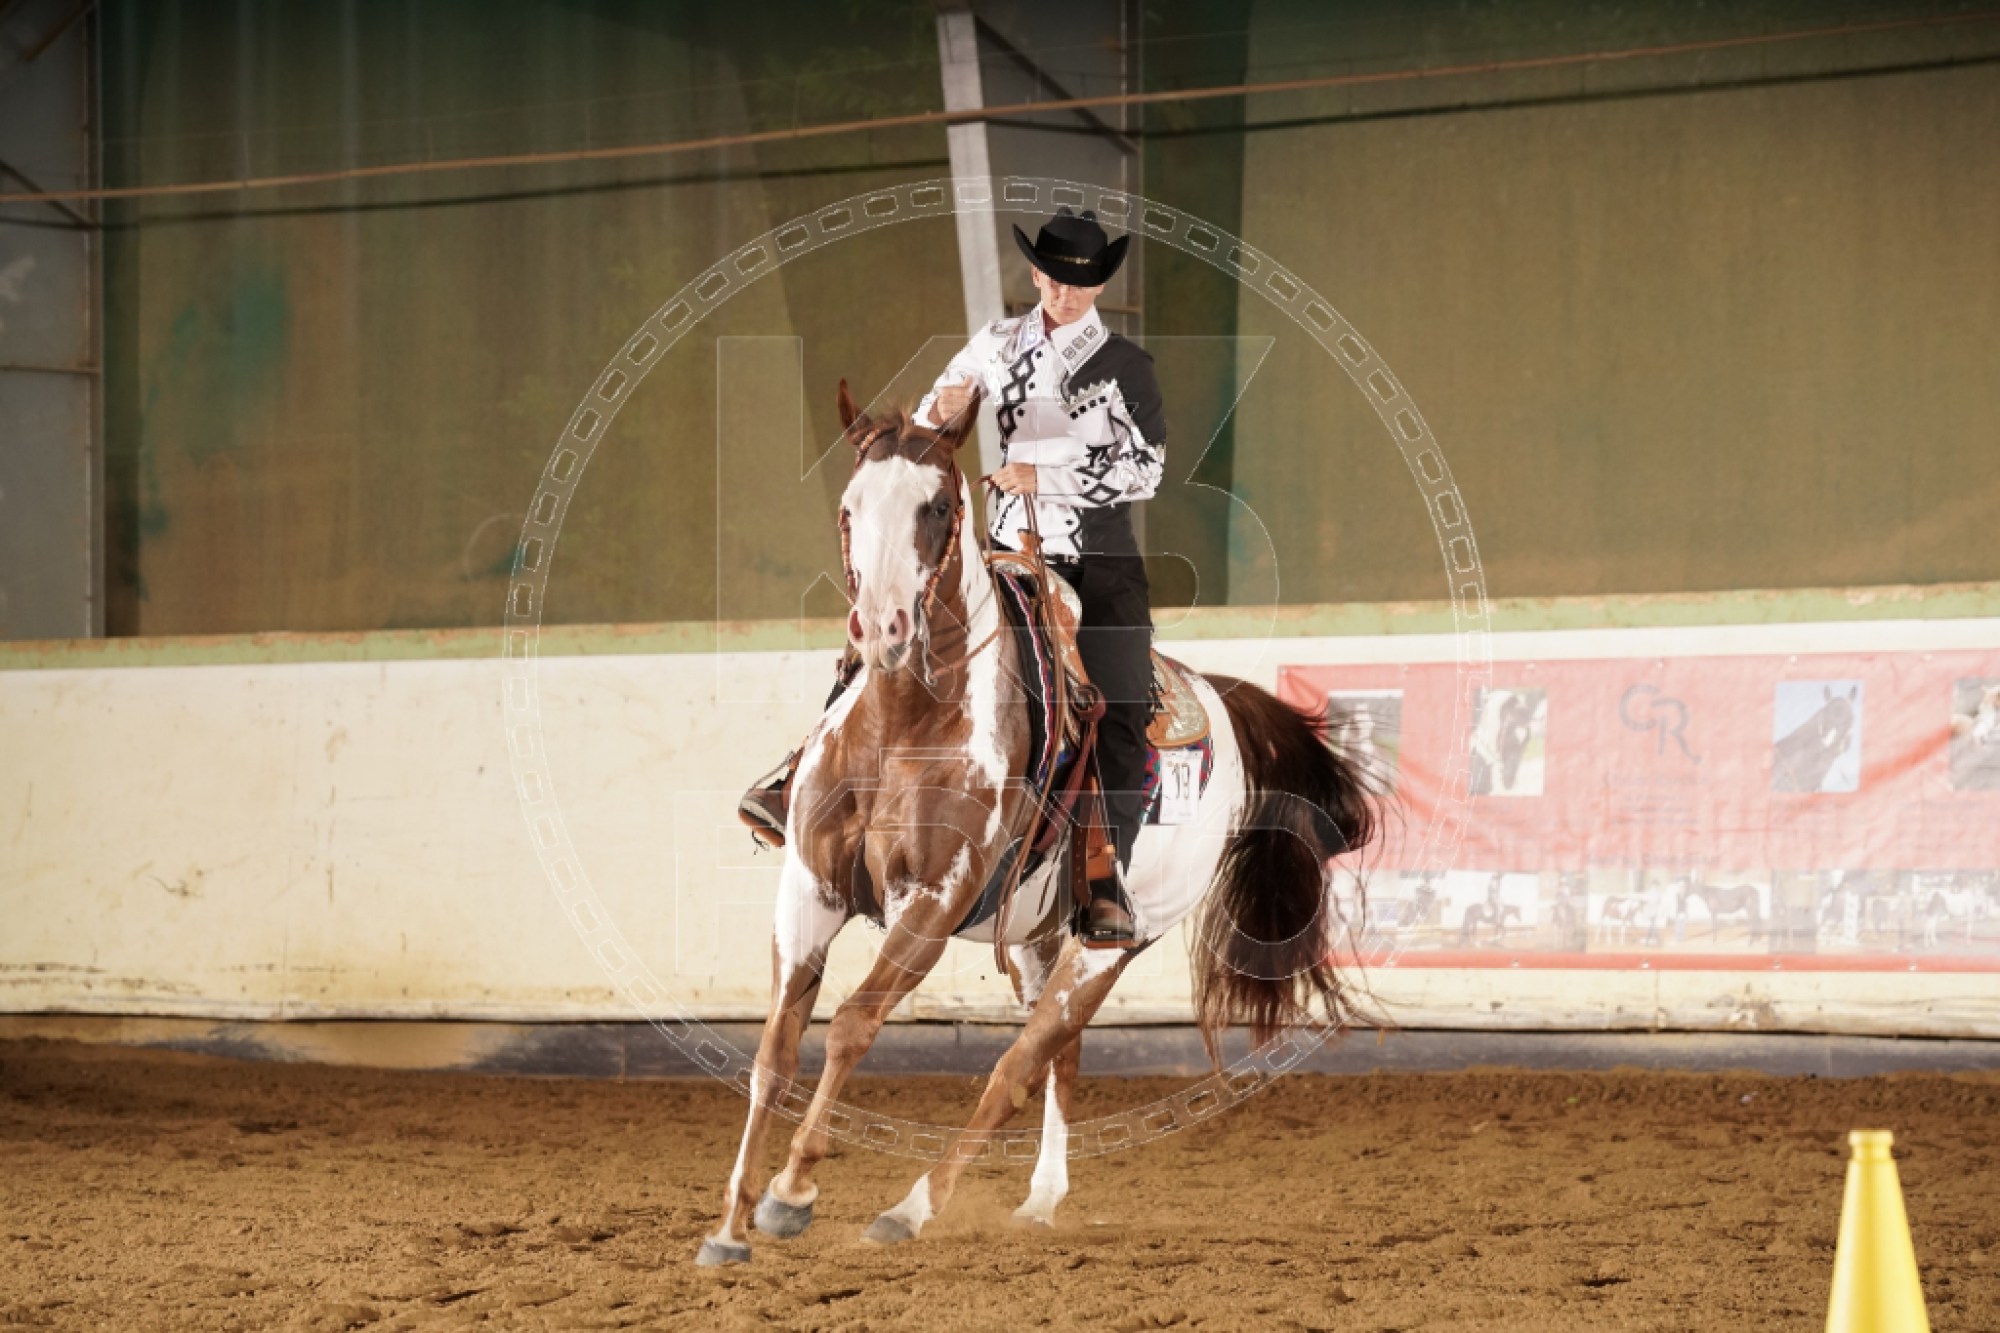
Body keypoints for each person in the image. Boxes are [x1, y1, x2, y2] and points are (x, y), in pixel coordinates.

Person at [739, 206, 1166, 946]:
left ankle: (1103, 873)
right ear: (1036, 273)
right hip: (1004, 554)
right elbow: (939, 417)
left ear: (1099, 285)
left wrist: (1045, 475)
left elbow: (1147, 469)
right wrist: (907, 438)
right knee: (885, 631)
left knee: (1122, 702)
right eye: (1055, 278)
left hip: (1098, 561)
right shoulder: (996, 345)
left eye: (1081, 282)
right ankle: (801, 771)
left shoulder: (1127, 365)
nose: (1066, 292)